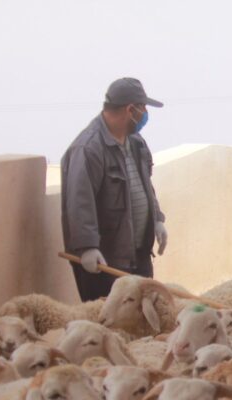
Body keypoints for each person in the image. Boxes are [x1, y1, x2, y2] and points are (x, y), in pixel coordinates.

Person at [61, 77, 169, 302]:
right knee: (108, 326)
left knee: (140, 323)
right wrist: (87, 247)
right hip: (105, 263)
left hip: (138, 257)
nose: (146, 114)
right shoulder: (88, 149)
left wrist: (157, 219)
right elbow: (79, 202)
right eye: (143, 109)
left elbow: (146, 185)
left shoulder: (136, 142)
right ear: (130, 110)